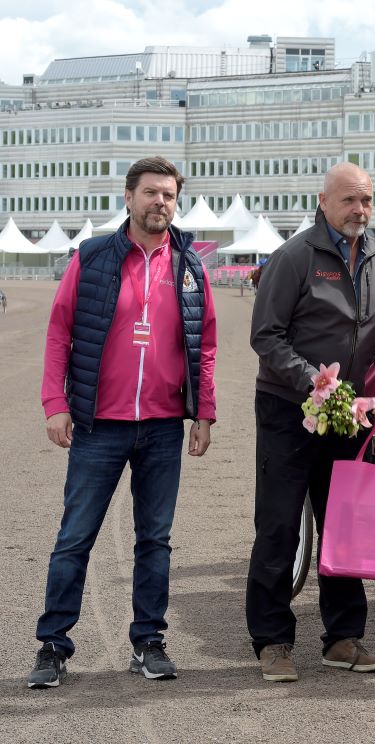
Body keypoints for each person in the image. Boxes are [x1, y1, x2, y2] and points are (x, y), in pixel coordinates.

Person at [31, 156, 217, 688]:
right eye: (152, 193)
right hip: (98, 425)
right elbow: (59, 331)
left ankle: (148, 642)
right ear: (130, 197)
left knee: (154, 541)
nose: (161, 202)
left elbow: (205, 345)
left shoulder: (190, 266)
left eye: (170, 195)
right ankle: (53, 646)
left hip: (161, 425)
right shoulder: (91, 258)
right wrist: (55, 403)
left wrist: (203, 411)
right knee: (75, 537)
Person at [247, 162, 375, 683]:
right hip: (288, 410)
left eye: (366, 201)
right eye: (349, 201)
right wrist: (316, 382)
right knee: (279, 525)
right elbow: (266, 336)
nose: (359, 210)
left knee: (344, 527)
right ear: (324, 201)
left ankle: (342, 638)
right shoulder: (294, 257)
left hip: (349, 414)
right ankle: (272, 642)